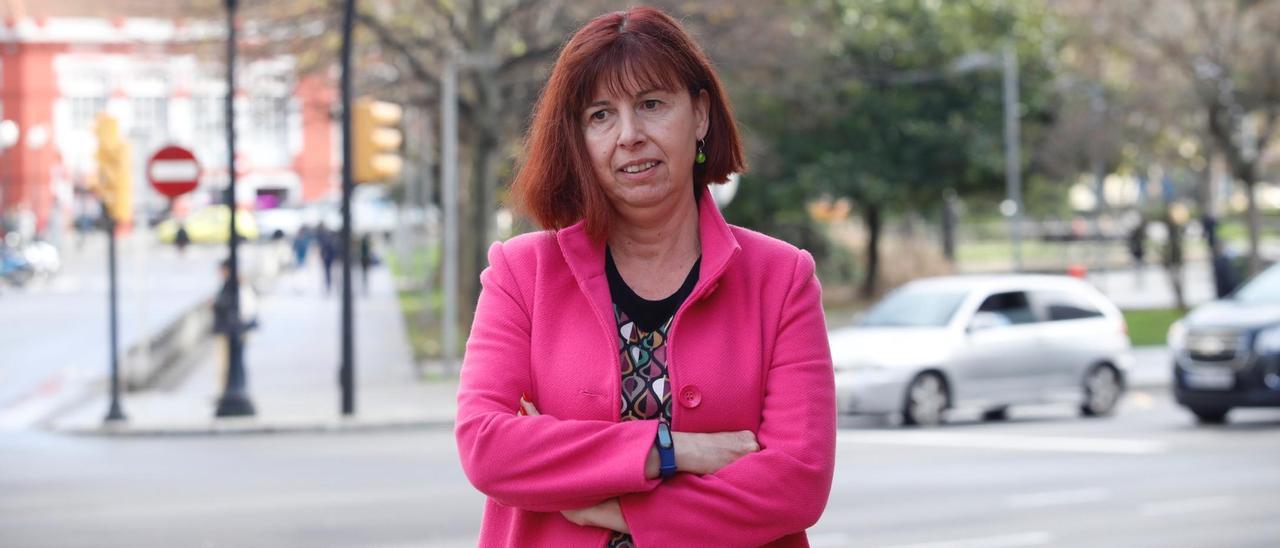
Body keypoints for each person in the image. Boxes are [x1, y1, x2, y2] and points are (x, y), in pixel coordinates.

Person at [454, 7, 835, 547]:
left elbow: (797, 484)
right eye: (600, 115)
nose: (629, 135)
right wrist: (675, 451)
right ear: (579, 139)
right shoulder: (523, 275)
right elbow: (487, 447)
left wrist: (612, 505)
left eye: (651, 105)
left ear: (699, 115)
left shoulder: (782, 278)